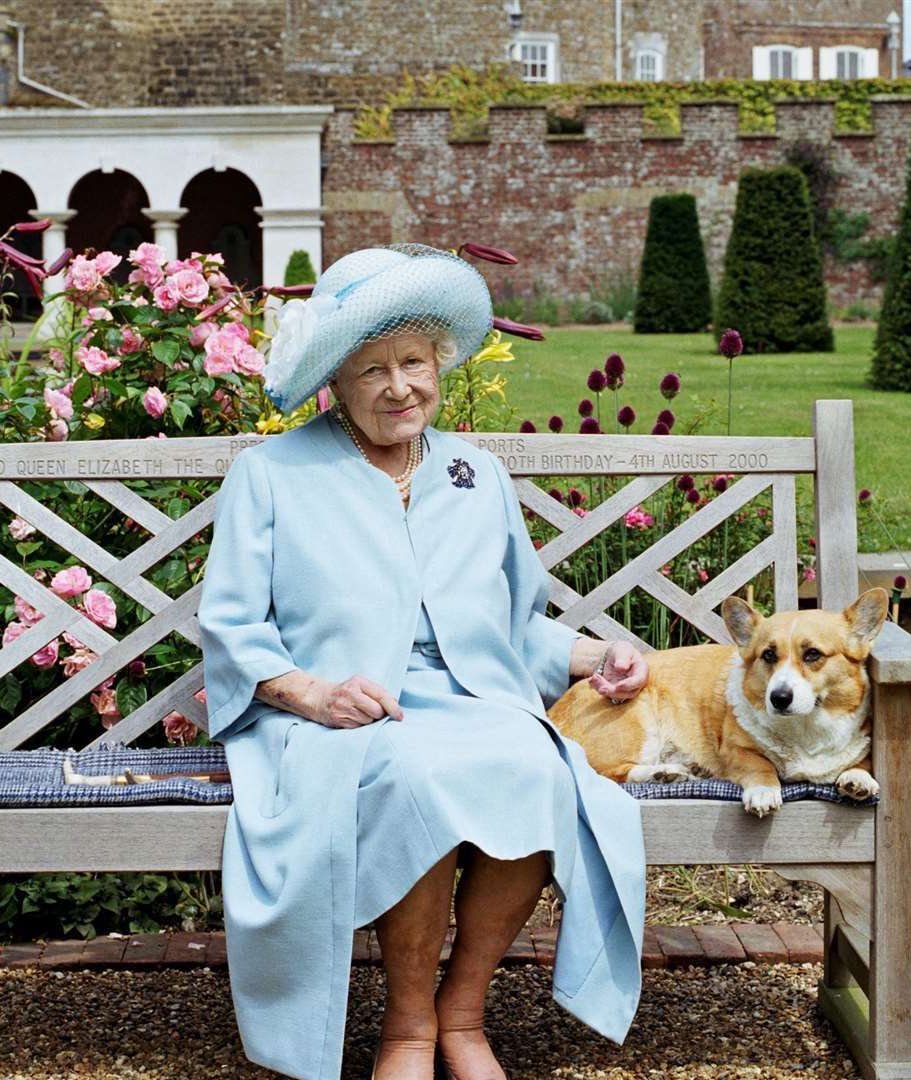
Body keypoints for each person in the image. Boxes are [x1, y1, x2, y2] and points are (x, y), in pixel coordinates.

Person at [199, 243, 649, 1080]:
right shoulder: (270, 475)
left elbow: (511, 627)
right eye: (371, 370)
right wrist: (310, 692)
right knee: (415, 775)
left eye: (413, 361)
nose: (399, 386)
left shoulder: (476, 473)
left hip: (472, 699)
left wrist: (597, 653)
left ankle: (462, 1013)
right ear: (335, 381)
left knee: (532, 765)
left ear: (439, 361)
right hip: (338, 715)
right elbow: (230, 626)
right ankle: (406, 1027)